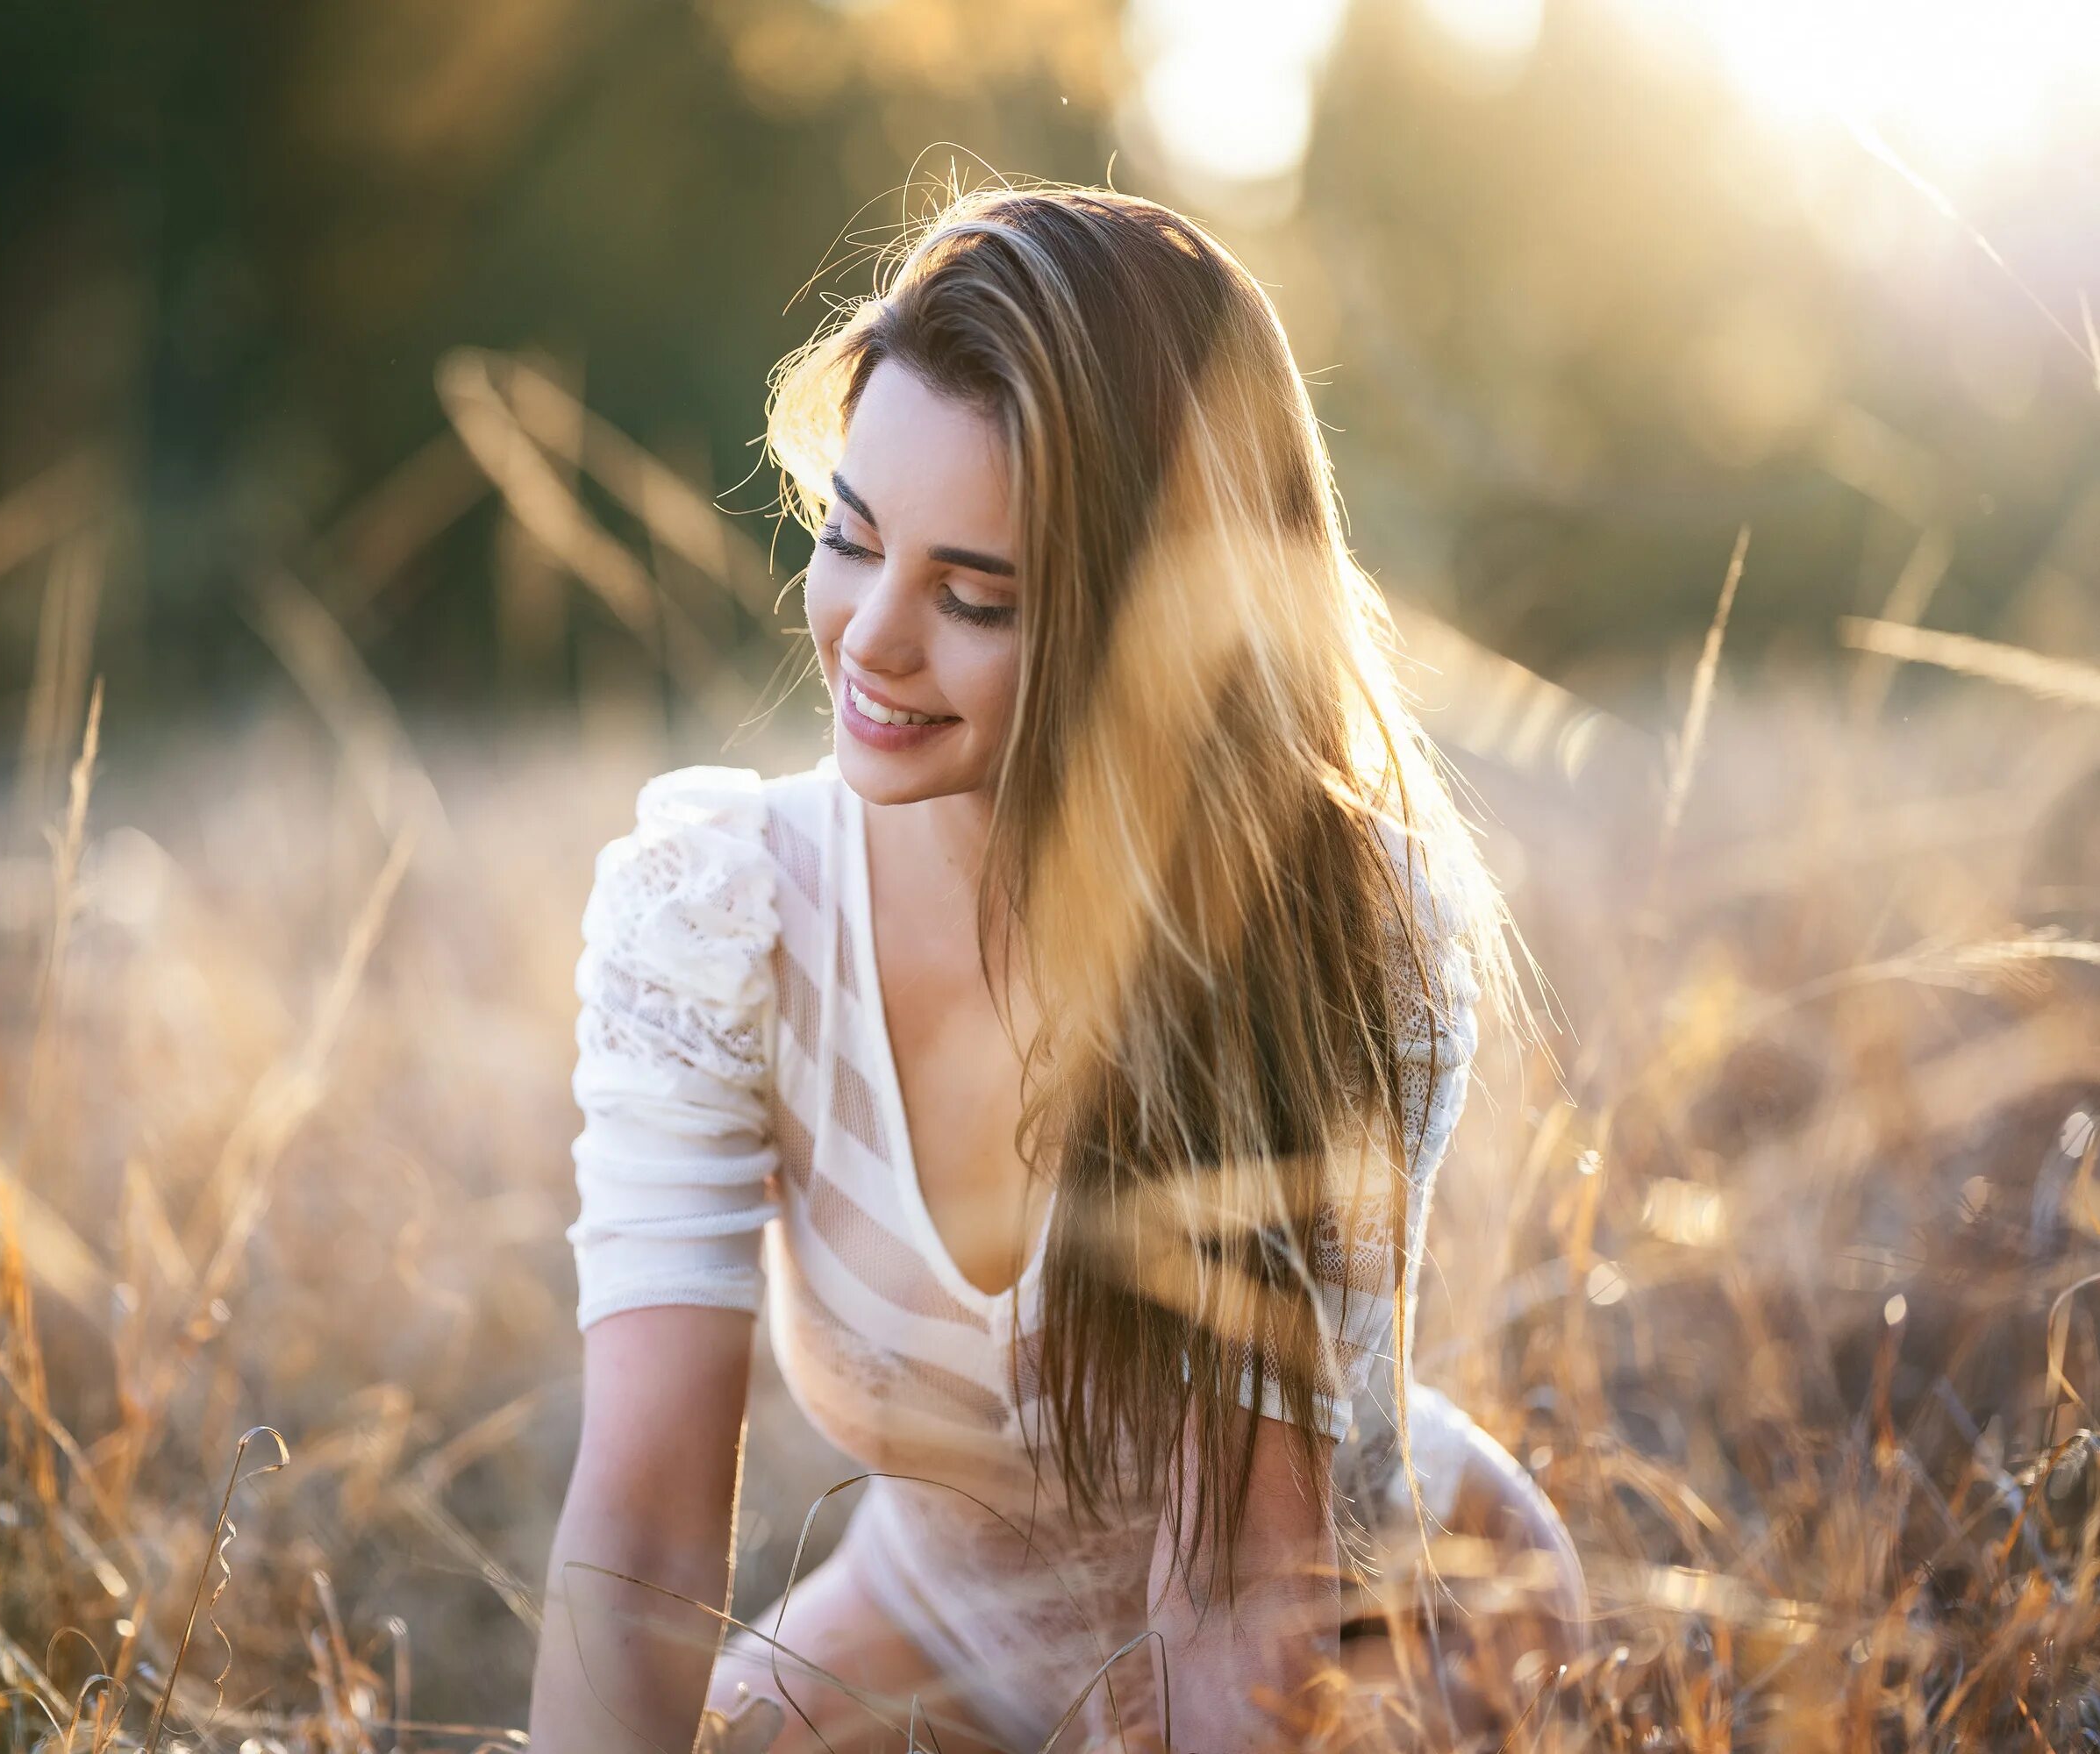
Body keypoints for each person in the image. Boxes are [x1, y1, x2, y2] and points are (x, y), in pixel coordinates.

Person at [527, 182, 1580, 1754]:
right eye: (849, 538)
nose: (871, 639)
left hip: (1370, 1642)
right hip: (933, 1628)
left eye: (974, 597)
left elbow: (1239, 1601)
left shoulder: (1340, 941)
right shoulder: (716, 917)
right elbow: (646, 1546)